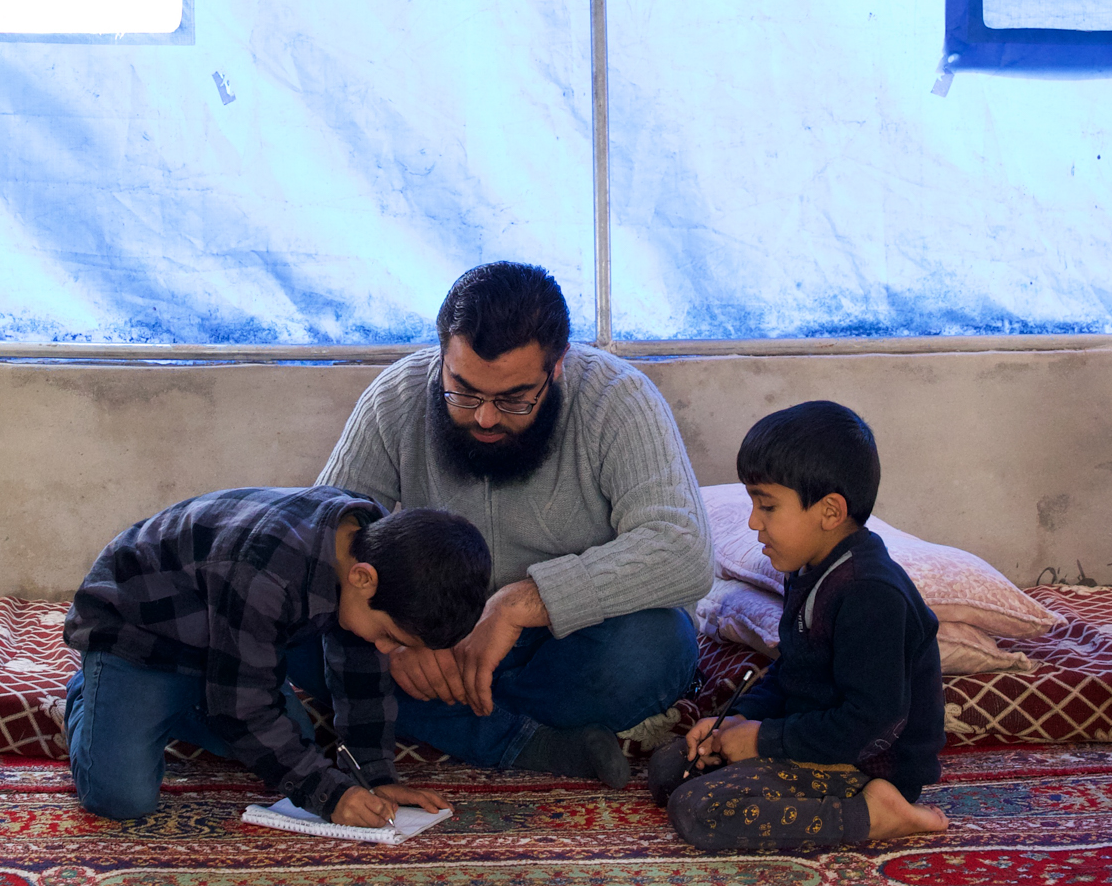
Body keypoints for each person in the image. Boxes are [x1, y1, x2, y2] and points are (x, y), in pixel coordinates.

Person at [318, 261, 710, 786]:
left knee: (655, 645)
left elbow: (683, 549)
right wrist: (393, 643)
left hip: (565, 648)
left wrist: (521, 604)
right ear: (442, 357)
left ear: (559, 367)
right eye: (463, 391)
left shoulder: (618, 400)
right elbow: (323, 538)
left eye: (513, 399)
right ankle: (527, 741)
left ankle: (443, 720)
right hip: (429, 642)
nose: (484, 417)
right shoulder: (398, 397)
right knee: (299, 636)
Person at [61, 484, 490, 824]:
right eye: (388, 635)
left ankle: (203, 695)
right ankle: (89, 696)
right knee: (122, 798)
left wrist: (373, 776)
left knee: (284, 750)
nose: (385, 650)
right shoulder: (266, 572)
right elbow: (245, 710)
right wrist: (330, 795)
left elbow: (361, 680)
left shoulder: (372, 545)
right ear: (363, 578)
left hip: (226, 638)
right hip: (139, 634)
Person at [648, 400, 949, 851]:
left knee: (700, 808)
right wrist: (740, 719)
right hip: (813, 736)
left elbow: (871, 721)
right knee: (671, 766)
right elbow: (793, 672)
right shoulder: (809, 571)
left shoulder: (871, 593)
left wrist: (766, 740)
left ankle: (873, 813)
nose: (754, 523)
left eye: (767, 506)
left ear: (829, 511)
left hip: (866, 763)